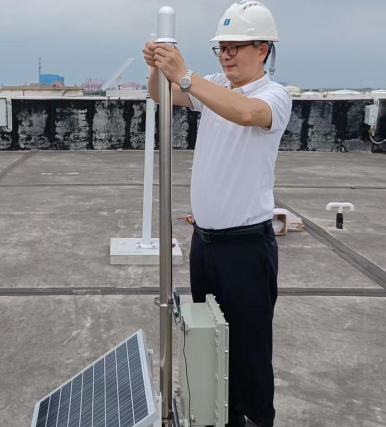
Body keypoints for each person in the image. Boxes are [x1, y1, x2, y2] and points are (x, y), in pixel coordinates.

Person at [143, 2, 292, 426]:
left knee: (249, 349)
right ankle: (222, 418)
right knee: (210, 343)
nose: (225, 55)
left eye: (234, 47)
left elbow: (245, 113)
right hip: (205, 245)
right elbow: (159, 94)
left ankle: (258, 419)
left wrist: (185, 75)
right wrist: (157, 65)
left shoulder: (272, 96)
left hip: (246, 247)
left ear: (263, 49)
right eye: (220, 48)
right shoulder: (211, 85)